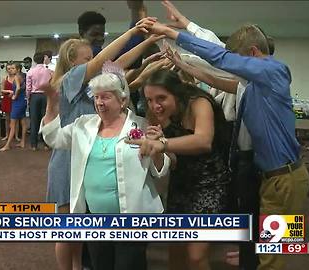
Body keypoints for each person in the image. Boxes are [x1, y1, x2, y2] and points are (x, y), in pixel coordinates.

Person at [142, 14, 309, 270]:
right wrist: (186, 67)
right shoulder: (256, 85)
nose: (234, 68)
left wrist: (171, 32)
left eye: (239, 62)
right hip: (274, 179)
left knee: (272, 254)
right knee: (265, 249)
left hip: (285, 180)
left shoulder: (275, 71)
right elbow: (221, 81)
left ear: (253, 53)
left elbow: (220, 58)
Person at [46, 20, 151, 270]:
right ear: (73, 62)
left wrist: (149, 43)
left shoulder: (91, 84)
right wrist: (133, 32)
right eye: (88, 58)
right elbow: (106, 59)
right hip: (66, 159)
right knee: (66, 230)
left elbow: (118, 64)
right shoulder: (71, 78)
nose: (95, 61)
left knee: (81, 230)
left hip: (86, 156)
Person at [41, 70, 170, 270]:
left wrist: (156, 150)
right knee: (100, 265)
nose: (100, 102)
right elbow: (52, 138)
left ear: (122, 100)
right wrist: (52, 102)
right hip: (96, 219)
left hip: (132, 219)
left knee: (129, 266)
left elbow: (160, 172)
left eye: (106, 97)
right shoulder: (83, 125)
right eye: (97, 97)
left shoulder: (142, 126)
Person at [128, 69, 230, 270]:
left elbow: (203, 141)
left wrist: (163, 144)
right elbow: (172, 161)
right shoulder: (158, 115)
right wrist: (156, 146)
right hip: (181, 182)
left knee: (196, 255)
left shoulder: (198, 103)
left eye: (161, 98)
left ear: (176, 92)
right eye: (149, 100)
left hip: (210, 183)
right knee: (175, 249)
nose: (155, 106)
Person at [26, 52, 52, 151]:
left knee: (34, 120)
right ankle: (46, 144)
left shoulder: (30, 72)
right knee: (45, 119)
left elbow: (28, 88)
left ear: (34, 60)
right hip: (45, 96)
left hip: (34, 96)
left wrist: (28, 98)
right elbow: (51, 85)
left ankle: (34, 145)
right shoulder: (49, 71)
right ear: (44, 59)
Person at [0, 62, 27, 151]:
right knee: (23, 122)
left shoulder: (16, 77)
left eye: (13, 68)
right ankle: (22, 142)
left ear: (18, 69)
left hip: (17, 103)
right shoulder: (22, 77)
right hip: (23, 101)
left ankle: (7, 145)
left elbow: (18, 88)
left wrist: (14, 95)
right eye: (10, 69)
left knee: (12, 124)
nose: (11, 70)